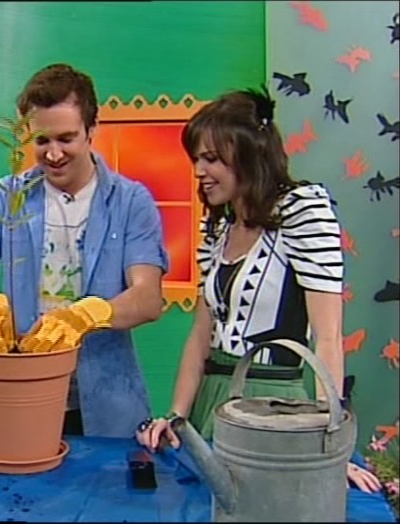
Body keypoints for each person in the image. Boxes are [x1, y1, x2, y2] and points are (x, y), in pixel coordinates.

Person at [135, 88, 382, 492]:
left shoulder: (302, 210)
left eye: (211, 158)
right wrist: (176, 418)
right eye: (196, 159)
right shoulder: (216, 227)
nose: (198, 171)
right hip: (210, 404)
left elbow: (329, 336)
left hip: (274, 409)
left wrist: (331, 450)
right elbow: (200, 338)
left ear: (250, 155)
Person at [0, 63, 168, 438]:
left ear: (92, 130)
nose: (54, 153)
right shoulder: (7, 196)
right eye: (42, 141)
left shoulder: (130, 201)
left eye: (66, 138)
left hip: (107, 405)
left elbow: (148, 298)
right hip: (23, 396)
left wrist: (88, 315)